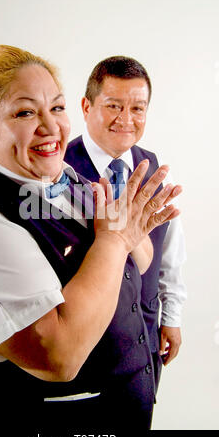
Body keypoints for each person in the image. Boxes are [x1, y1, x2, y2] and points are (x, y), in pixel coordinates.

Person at [0, 45, 181, 436]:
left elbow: (138, 264)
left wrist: (128, 234)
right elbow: (58, 357)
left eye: (56, 109)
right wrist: (113, 241)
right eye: (25, 112)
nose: (51, 127)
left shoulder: (63, 179)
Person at [65, 56, 187, 391]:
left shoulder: (158, 172)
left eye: (137, 108)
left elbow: (170, 257)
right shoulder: (55, 174)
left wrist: (171, 318)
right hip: (83, 361)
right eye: (113, 105)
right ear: (86, 107)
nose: (126, 120)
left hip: (144, 350)